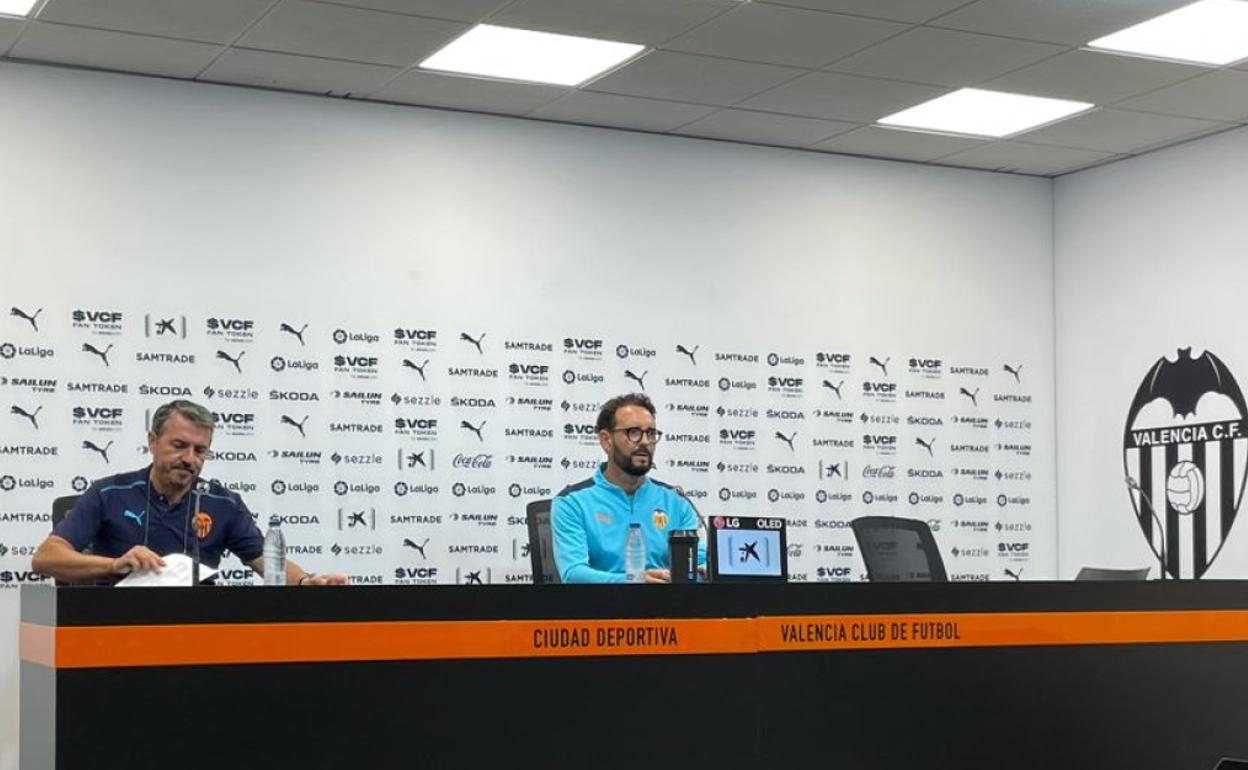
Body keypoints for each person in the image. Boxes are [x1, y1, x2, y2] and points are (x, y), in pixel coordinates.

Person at [32, 399, 347, 586]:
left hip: (199, 629)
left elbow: (267, 562)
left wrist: (307, 581)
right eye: (179, 446)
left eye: (200, 450)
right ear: (153, 441)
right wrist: (114, 564)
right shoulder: (110, 493)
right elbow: (45, 559)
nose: (189, 458)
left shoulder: (222, 503)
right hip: (119, 628)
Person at [552, 392, 705, 583]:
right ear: (607, 440)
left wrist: (702, 571)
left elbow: (700, 564)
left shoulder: (676, 501)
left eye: (651, 433)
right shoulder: (572, 502)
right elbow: (574, 574)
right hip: (601, 609)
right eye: (634, 432)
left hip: (667, 608)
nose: (645, 442)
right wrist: (635, 581)